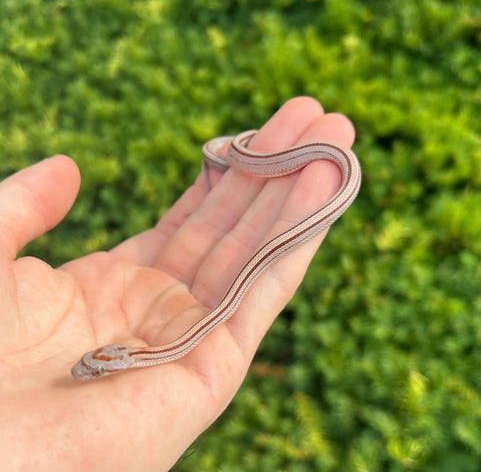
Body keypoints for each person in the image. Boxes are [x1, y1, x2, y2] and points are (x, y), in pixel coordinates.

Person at [0, 97, 355, 470]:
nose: (87, 369)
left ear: (114, 358)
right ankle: (238, 152)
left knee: (304, 180)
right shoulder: (154, 355)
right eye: (93, 366)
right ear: (115, 360)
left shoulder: (147, 354)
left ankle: (242, 153)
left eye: (92, 366)